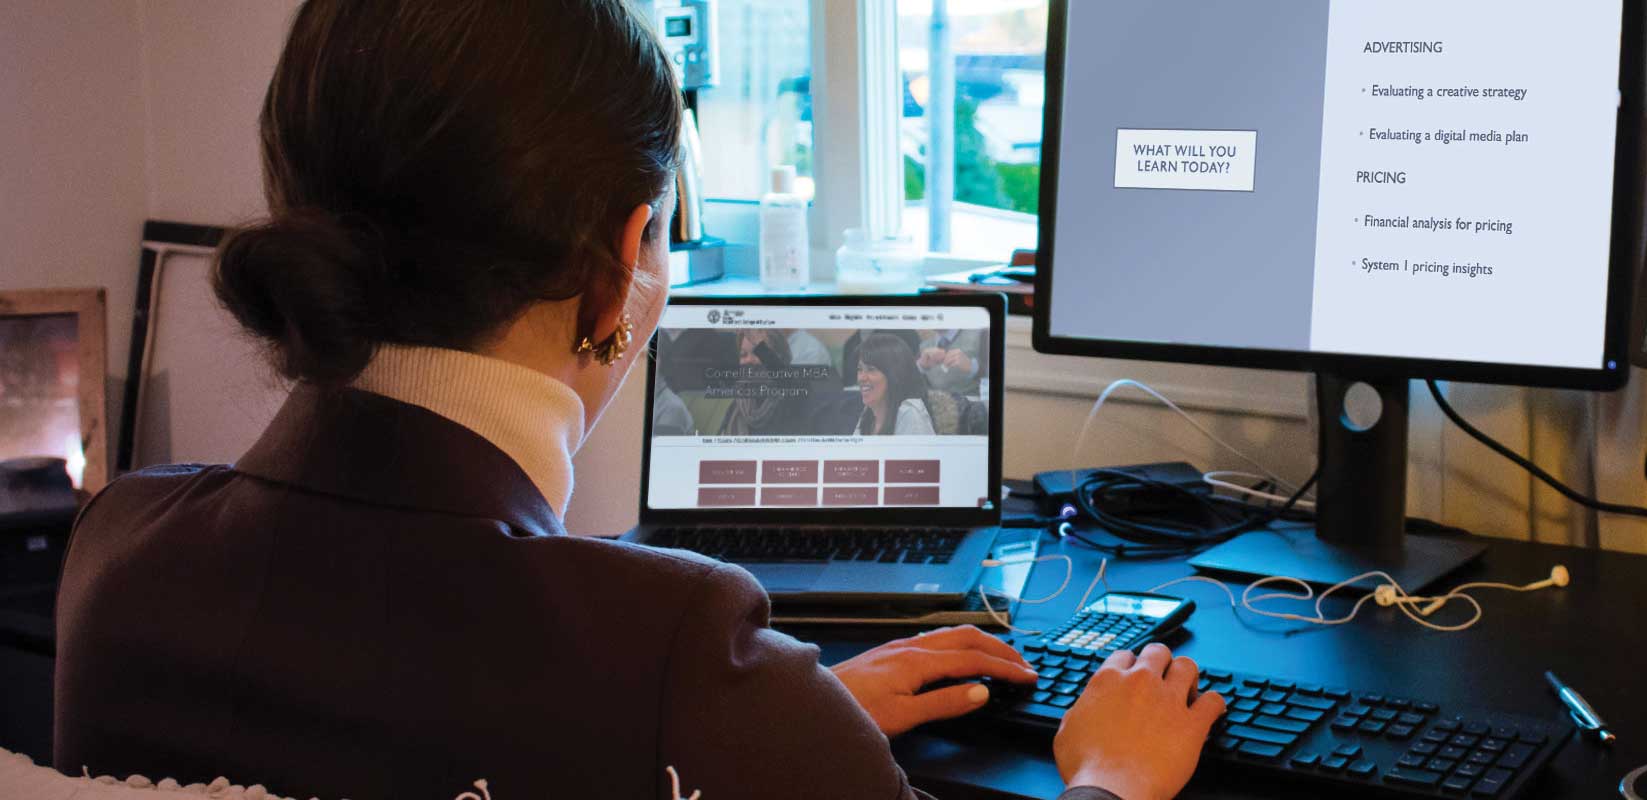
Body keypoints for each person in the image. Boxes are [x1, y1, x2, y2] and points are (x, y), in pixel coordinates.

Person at [49, 3, 1221, 799]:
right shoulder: (676, 650)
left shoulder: (118, 556)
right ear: (626, 255)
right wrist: (1108, 778)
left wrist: (790, 714)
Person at [854, 333, 936, 435]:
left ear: (894, 375)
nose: (861, 378)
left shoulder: (910, 414)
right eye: (860, 369)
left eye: (871, 370)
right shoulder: (868, 411)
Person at [918, 328, 985, 396]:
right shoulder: (923, 347)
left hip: (974, 401)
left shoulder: (980, 335)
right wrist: (921, 367)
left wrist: (973, 367)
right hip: (939, 403)